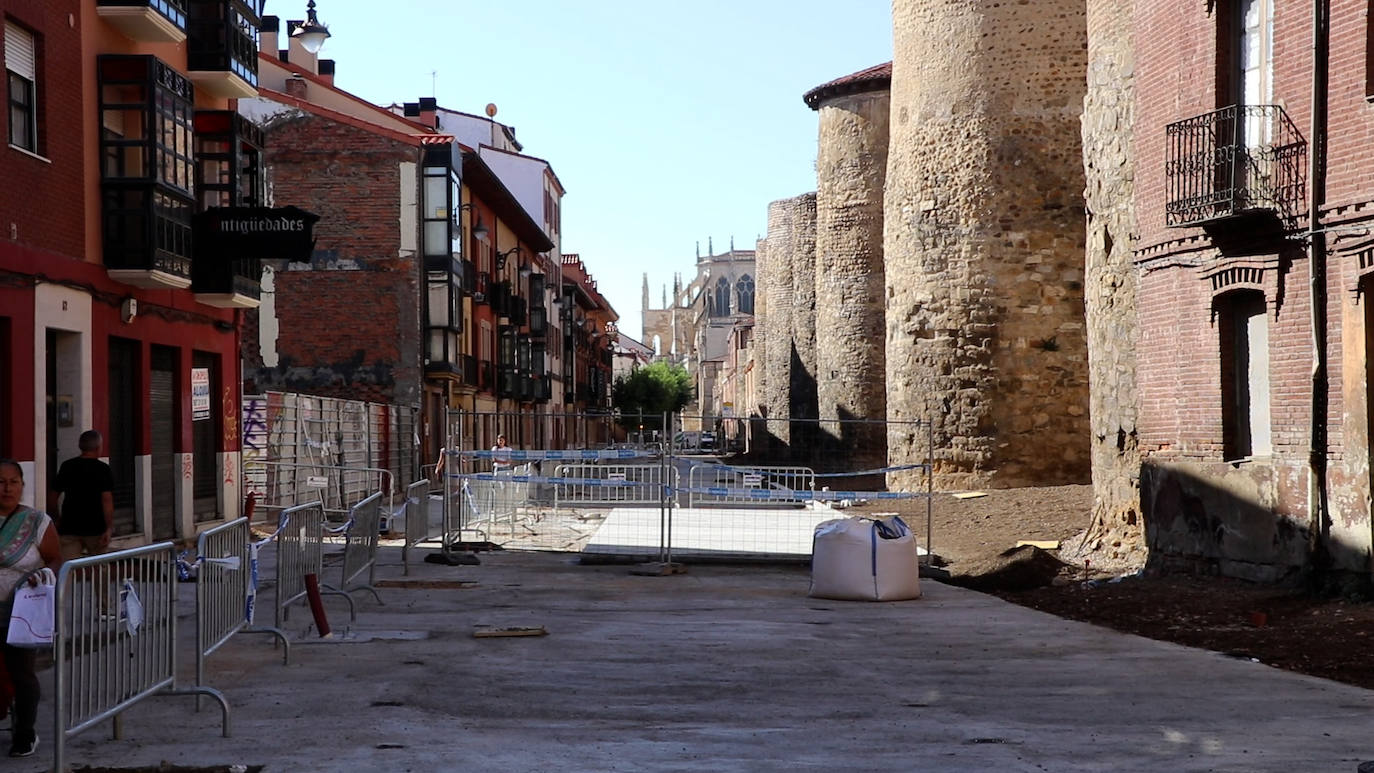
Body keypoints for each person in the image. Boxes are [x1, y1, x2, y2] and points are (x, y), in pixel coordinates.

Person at [0, 458, 63, 758]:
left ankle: (25, 733)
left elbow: (55, 559)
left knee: (22, 673)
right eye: (0, 482)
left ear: (22, 486)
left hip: (20, 614)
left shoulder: (37, 522)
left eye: (13, 482)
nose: (6, 488)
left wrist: (44, 574)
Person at [49, 430, 115, 560]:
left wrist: (56, 518)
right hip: (96, 529)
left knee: (66, 569)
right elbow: (107, 501)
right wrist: (109, 528)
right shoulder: (103, 469)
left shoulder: (67, 466)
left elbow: (53, 496)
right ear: (98, 447)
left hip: (69, 527)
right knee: (99, 571)